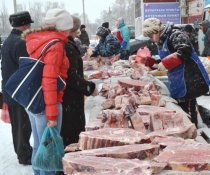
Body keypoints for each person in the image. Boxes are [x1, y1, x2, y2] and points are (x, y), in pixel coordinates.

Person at [21, 8, 72, 175]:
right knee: (49, 153)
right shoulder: (56, 44)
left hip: (33, 101)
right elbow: (49, 81)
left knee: (39, 146)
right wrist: (51, 115)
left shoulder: (38, 40)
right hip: (47, 103)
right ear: (63, 28)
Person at [142, 18, 210, 128]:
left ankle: (193, 135)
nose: (152, 40)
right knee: (184, 109)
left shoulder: (175, 34)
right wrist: (152, 62)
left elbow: (184, 50)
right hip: (178, 79)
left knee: (188, 112)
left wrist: (166, 63)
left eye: (151, 36)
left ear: (157, 31)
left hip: (189, 78)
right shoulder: (162, 40)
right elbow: (165, 59)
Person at [56, 16, 98, 175]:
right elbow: (71, 77)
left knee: (68, 134)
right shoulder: (67, 46)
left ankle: (70, 165)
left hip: (67, 97)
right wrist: (89, 87)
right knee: (71, 136)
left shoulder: (67, 44)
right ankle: (71, 168)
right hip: (69, 98)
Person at [1, 11, 33, 165]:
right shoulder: (20, 43)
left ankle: (23, 152)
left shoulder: (9, 40)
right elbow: (25, 69)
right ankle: (25, 155)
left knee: (18, 126)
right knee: (22, 126)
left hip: (11, 89)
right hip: (19, 91)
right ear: (25, 25)